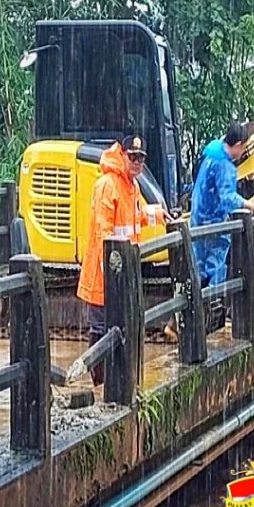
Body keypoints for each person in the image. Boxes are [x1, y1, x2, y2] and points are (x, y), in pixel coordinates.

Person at [76, 134, 165, 387]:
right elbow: (104, 231)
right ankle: (100, 383)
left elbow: (135, 215)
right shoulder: (107, 185)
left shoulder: (132, 186)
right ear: (122, 155)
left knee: (119, 328)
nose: (137, 162)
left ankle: (117, 381)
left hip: (122, 273)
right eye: (133, 157)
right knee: (101, 329)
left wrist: (157, 214)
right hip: (104, 276)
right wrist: (111, 272)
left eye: (141, 158)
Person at [190, 122, 254, 287]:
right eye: (244, 147)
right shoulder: (224, 166)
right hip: (213, 222)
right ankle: (213, 302)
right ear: (239, 145)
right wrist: (252, 206)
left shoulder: (212, 153)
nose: (243, 152)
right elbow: (227, 197)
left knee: (198, 266)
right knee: (214, 265)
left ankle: (197, 304)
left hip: (197, 217)